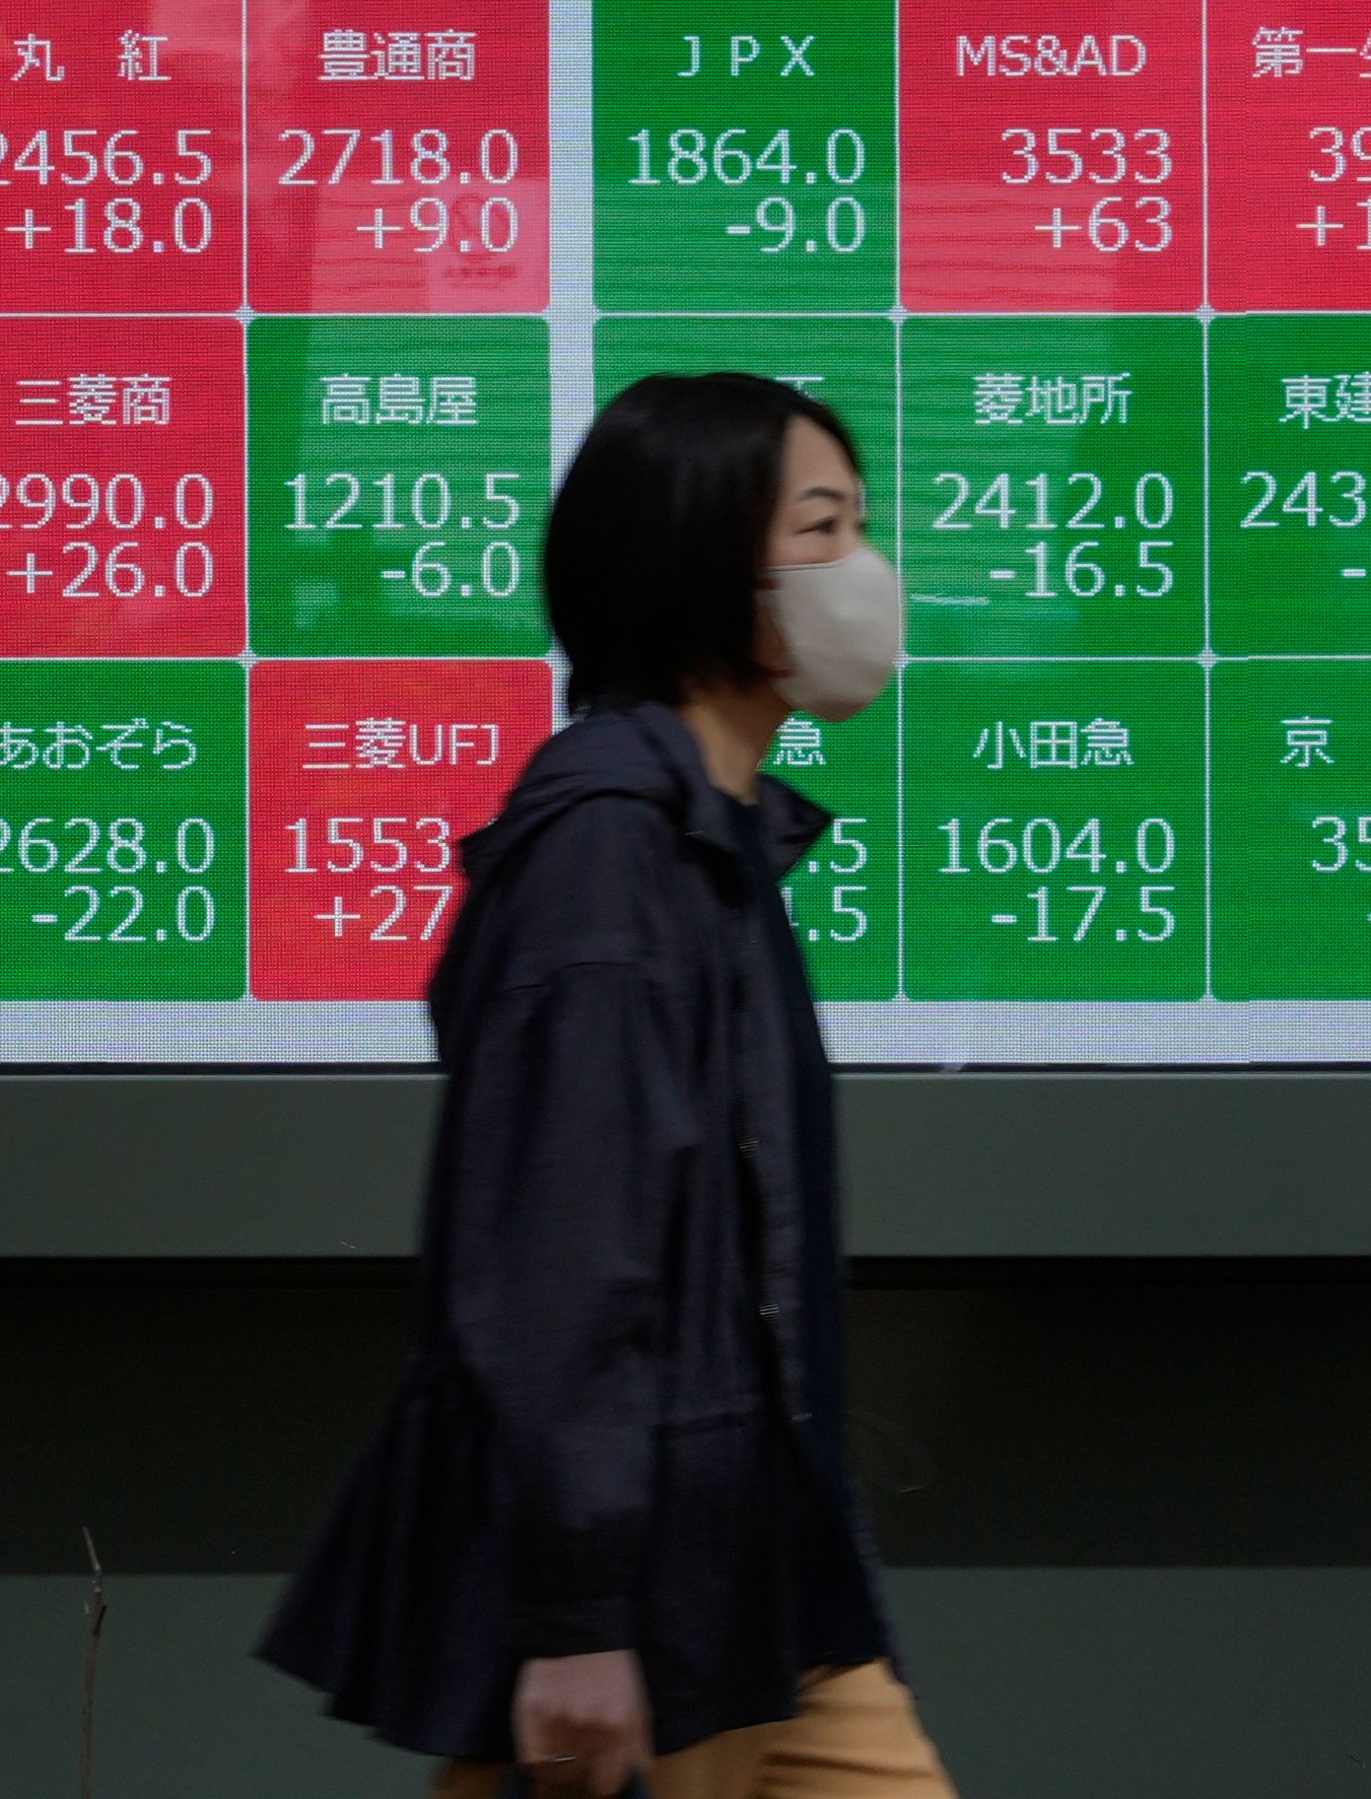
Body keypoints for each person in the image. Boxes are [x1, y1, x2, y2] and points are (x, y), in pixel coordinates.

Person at [263, 373, 955, 1799]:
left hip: (764, 1586)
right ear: (702, 567)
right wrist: (578, 1620)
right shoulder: (608, 861)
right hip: (647, 1608)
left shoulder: (715, 839)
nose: (863, 571)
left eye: (856, 526)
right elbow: (559, 1257)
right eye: (821, 530)